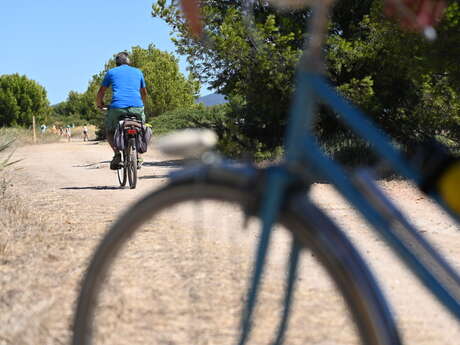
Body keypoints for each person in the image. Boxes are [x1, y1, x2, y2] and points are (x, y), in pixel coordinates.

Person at [96, 52, 148, 170]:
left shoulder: (111, 72)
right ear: (128, 62)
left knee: (109, 130)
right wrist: (142, 106)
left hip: (117, 108)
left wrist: (100, 104)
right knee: (140, 127)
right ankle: (138, 155)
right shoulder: (138, 72)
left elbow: (101, 92)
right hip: (137, 107)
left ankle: (117, 155)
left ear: (117, 63)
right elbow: (144, 93)